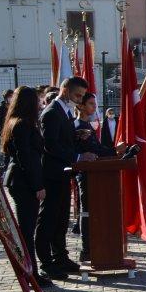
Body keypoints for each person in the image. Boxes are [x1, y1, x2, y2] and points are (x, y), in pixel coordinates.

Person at [36, 77, 96, 280]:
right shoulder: (52, 112)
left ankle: (61, 257)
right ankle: (46, 263)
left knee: (61, 219)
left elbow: (62, 139)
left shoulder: (65, 111)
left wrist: (77, 137)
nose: (80, 100)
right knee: (49, 219)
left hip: (63, 173)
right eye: (77, 95)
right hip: (52, 175)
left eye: (82, 96)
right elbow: (50, 145)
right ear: (65, 91)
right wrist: (78, 157)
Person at [1, 87, 54, 288]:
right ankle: (31, 273)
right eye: (38, 101)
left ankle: (30, 271)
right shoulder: (22, 124)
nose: (40, 104)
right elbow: (26, 159)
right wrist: (37, 185)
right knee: (27, 231)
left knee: (27, 229)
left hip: (22, 180)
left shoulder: (18, 122)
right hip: (23, 183)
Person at [73, 93, 116, 263]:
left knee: (92, 211)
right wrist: (115, 151)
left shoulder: (87, 125)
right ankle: (87, 249)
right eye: (90, 104)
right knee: (87, 212)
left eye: (94, 104)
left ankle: (95, 248)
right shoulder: (79, 126)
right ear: (81, 106)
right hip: (86, 176)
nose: (94, 107)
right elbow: (92, 151)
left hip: (95, 176)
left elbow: (97, 149)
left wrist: (116, 151)